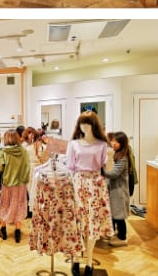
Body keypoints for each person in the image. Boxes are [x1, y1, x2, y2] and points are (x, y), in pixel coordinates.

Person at [66, 111, 113, 276]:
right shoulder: (74, 144)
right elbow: (70, 167)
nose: (84, 126)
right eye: (81, 123)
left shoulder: (102, 145)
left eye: (87, 123)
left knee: (92, 224)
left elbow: (107, 168)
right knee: (77, 224)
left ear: (94, 125)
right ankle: (76, 259)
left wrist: (111, 156)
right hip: (78, 183)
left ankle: (89, 261)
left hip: (95, 185)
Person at [0, 129, 30, 243]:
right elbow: (27, 166)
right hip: (20, 184)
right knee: (19, 205)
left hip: (8, 183)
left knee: (5, 205)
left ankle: (3, 229)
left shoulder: (3, 151)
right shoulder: (23, 151)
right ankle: (18, 230)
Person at [103, 131, 131, 247]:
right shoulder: (117, 155)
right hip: (114, 190)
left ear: (122, 143)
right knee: (115, 214)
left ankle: (122, 237)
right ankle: (116, 233)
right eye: (113, 141)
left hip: (119, 191)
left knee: (119, 216)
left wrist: (102, 171)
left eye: (116, 141)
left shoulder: (123, 158)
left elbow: (114, 174)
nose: (113, 143)